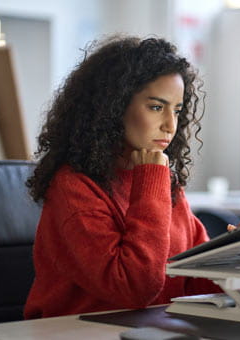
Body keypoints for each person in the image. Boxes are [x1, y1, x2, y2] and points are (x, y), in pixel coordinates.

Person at [24, 35, 221, 319]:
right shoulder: (72, 187)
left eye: (177, 110)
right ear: (113, 108)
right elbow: (134, 288)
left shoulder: (165, 183)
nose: (170, 125)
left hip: (152, 328)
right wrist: (151, 181)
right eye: (156, 107)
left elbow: (196, 280)